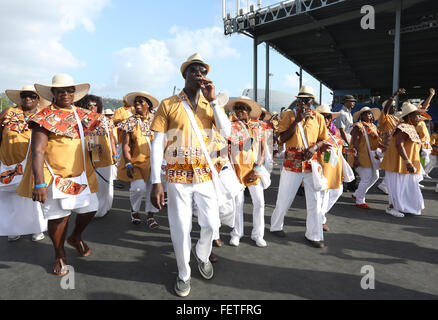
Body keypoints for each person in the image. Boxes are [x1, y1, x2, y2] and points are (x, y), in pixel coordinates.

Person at [150, 53, 231, 297]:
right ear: (184, 75)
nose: (199, 74)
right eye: (194, 70)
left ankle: (202, 254)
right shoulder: (168, 104)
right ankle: (184, 273)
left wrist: (214, 101)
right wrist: (156, 181)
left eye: (203, 71)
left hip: (205, 174)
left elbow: (226, 131)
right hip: (177, 176)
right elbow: (157, 144)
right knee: (180, 227)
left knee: (210, 224)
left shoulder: (211, 105)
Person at [16, 74, 104, 276]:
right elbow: (37, 151)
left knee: (90, 209)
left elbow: (96, 139)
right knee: (58, 218)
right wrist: (39, 183)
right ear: (53, 93)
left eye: (69, 90)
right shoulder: (43, 117)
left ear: (74, 93)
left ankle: (75, 237)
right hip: (55, 175)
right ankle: (60, 254)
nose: (66, 94)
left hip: (82, 175)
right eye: (61, 90)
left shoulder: (83, 115)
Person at [269, 86, 330, 248]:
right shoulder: (289, 115)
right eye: (301, 99)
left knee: (315, 201)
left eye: (307, 99)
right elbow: (281, 138)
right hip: (292, 163)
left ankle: (314, 235)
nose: (303, 102)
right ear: (297, 100)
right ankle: (276, 226)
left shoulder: (318, 118)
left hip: (311, 163)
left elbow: (324, 139)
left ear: (312, 101)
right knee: (284, 198)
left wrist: (315, 148)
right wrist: (296, 120)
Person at [0, 85, 48, 241]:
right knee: (9, 198)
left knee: (32, 199)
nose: (28, 98)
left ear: (38, 99)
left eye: (32, 96)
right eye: (24, 95)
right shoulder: (8, 113)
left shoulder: (43, 115)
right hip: (7, 163)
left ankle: (36, 228)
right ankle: (13, 228)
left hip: (31, 164)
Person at [226, 96, 267, 248]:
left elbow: (263, 149)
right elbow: (231, 147)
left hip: (254, 169)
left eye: (242, 108)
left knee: (259, 202)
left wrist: (257, 168)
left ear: (249, 111)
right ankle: (237, 233)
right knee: (238, 202)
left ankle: (258, 235)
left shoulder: (258, 126)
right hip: (236, 169)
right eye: (236, 108)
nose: (238, 111)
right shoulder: (230, 126)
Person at [117, 91, 160, 228]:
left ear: (148, 104)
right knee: (138, 189)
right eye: (135, 101)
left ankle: (151, 215)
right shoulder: (129, 122)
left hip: (154, 162)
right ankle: (134, 210)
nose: (137, 103)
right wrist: (128, 163)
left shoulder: (156, 120)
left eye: (141, 101)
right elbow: (125, 145)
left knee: (152, 189)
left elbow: (163, 141)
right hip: (136, 162)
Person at [76, 95, 117, 218]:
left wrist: (114, 154)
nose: (93, 107)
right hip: (89, 151)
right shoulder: (81, 119)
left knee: (106, 183)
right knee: (93, 183)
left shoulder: (105, 120)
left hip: (105, 152)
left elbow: (111, 138)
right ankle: (94, 208)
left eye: (95, 105)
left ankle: (104, 208)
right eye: (89, 105)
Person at [381, 102, 425, 217]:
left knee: (407, 187)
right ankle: (392, 208)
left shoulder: (410, 127)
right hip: (399, 163)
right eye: (417, 115)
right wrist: (407, 162)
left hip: (405, 164)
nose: (419, 118)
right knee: (397, 187)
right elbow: (399, 145)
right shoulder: (403, 127)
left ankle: (404, 207)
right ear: (409, 116)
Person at [315, 104, 346, 232]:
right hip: (323, 165)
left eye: (328, 116)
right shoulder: (315, 130)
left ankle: (318, 215)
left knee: (337, 191)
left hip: (335, 165)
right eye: (324, 117)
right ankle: (320, 219)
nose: (327, 119)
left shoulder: (334, 130)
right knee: (323, 194)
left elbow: (340, 145)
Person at [350, 107, 381, 209]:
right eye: (366, 113)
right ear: (361, 116)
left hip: (371, 155)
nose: (369, 115)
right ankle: (360, 200)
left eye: (370, 113)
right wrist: (356, 158)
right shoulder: (358, 127)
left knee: (375, 176)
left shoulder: (374, 127)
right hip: (361, 155)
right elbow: (354, 144)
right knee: (366, 178)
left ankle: (357, 193)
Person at [377, 89, 406, 194]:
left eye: (394, 106)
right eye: (392, 106)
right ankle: (384, 185)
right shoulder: (384, 118)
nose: (394, 107)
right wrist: (393, 96)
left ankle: (384, 184)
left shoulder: (396, 119)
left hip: (395, 146)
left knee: (392, 166)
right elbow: (385, 110)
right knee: (390, 167)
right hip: (387, 146)